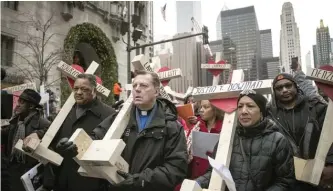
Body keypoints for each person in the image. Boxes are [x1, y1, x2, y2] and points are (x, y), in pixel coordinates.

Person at [96, 70, 188, 191]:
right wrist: (75, 147)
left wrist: (140, 181)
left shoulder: (171, 126)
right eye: (135, 86)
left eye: (143, 85)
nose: (137, 89)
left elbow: (176, 168)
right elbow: (96, 138)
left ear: (156, 91)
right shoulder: (118, 118)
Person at [196, 89, 295, 191]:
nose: (243, 111)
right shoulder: (228, 137)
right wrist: (197, 183)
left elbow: (285, 181)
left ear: (261, 111)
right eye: (240, 106)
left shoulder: (277, 140)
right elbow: (215, 172)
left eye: (250, 106)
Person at [43, 74, 115, 191]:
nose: (79, 92)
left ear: (94, 90)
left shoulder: (109, 114)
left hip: (91, 181)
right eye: (76, 89)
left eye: (84, 89)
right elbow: (49, 135)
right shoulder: (64, 113)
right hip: (63, 179)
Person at [267, 73, 333, 190]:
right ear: (274, 92)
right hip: (287, 180)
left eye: (288, 85)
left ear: (296, 87)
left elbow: (331, 134)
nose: (284, 90)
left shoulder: (315, 108)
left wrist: (331, 164)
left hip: (319, 176)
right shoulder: (269, 115)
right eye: (279, 88)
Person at [1, 89, 51, 191]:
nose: (17, 105)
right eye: (18, 101)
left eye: (22, 102)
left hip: (30, 174)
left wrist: (38, 134)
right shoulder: (15, 122)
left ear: (31, 106)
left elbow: (52, 134)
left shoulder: (43, 124)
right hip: (12, 173)